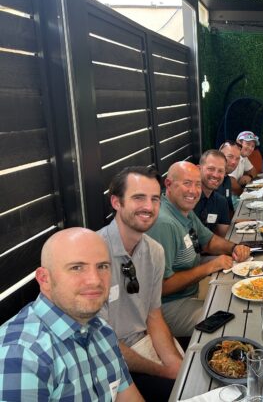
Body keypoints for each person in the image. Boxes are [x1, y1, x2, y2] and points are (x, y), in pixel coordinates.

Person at [0, 228, 143, 401]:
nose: (95, 280)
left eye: (102, 266)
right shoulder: (22, 355)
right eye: (77, 267)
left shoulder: (102, 331)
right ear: (44, 279)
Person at [97, 167, 182, 401]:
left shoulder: (154, 251)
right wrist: (164, 371)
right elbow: (102, 343)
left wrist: (178, 367)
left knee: (194, 380)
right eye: (138, 198)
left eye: (155, 199)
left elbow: (154, 317)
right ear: (116, 202)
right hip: (107, 360)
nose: (148, 206)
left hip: (143, 342)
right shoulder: (95, 255)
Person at [146, 161, 250, 337]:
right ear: (168, 184)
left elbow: (209, 241)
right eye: (187, 183)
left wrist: (235, 247)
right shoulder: (164, 223)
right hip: (168, 307)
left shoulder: (182, 210)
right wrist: (209, 267)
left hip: (191, 290)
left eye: (197, 184)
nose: (194, 191)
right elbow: (161, 287)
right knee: (235, 320)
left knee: (240, 287)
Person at [195, 150, 231, 237]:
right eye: (211, 169)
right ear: (199, 169)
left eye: (220, 171)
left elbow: (224, 237)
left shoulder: (221, 202)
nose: (215, 175)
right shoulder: (190, 198)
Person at [219, 140, 240, 213]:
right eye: (230, 156)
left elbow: (229, 210)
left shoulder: (227, 180)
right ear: (219, 155)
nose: (234, 162)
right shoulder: (212, 181)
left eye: (237, 159)